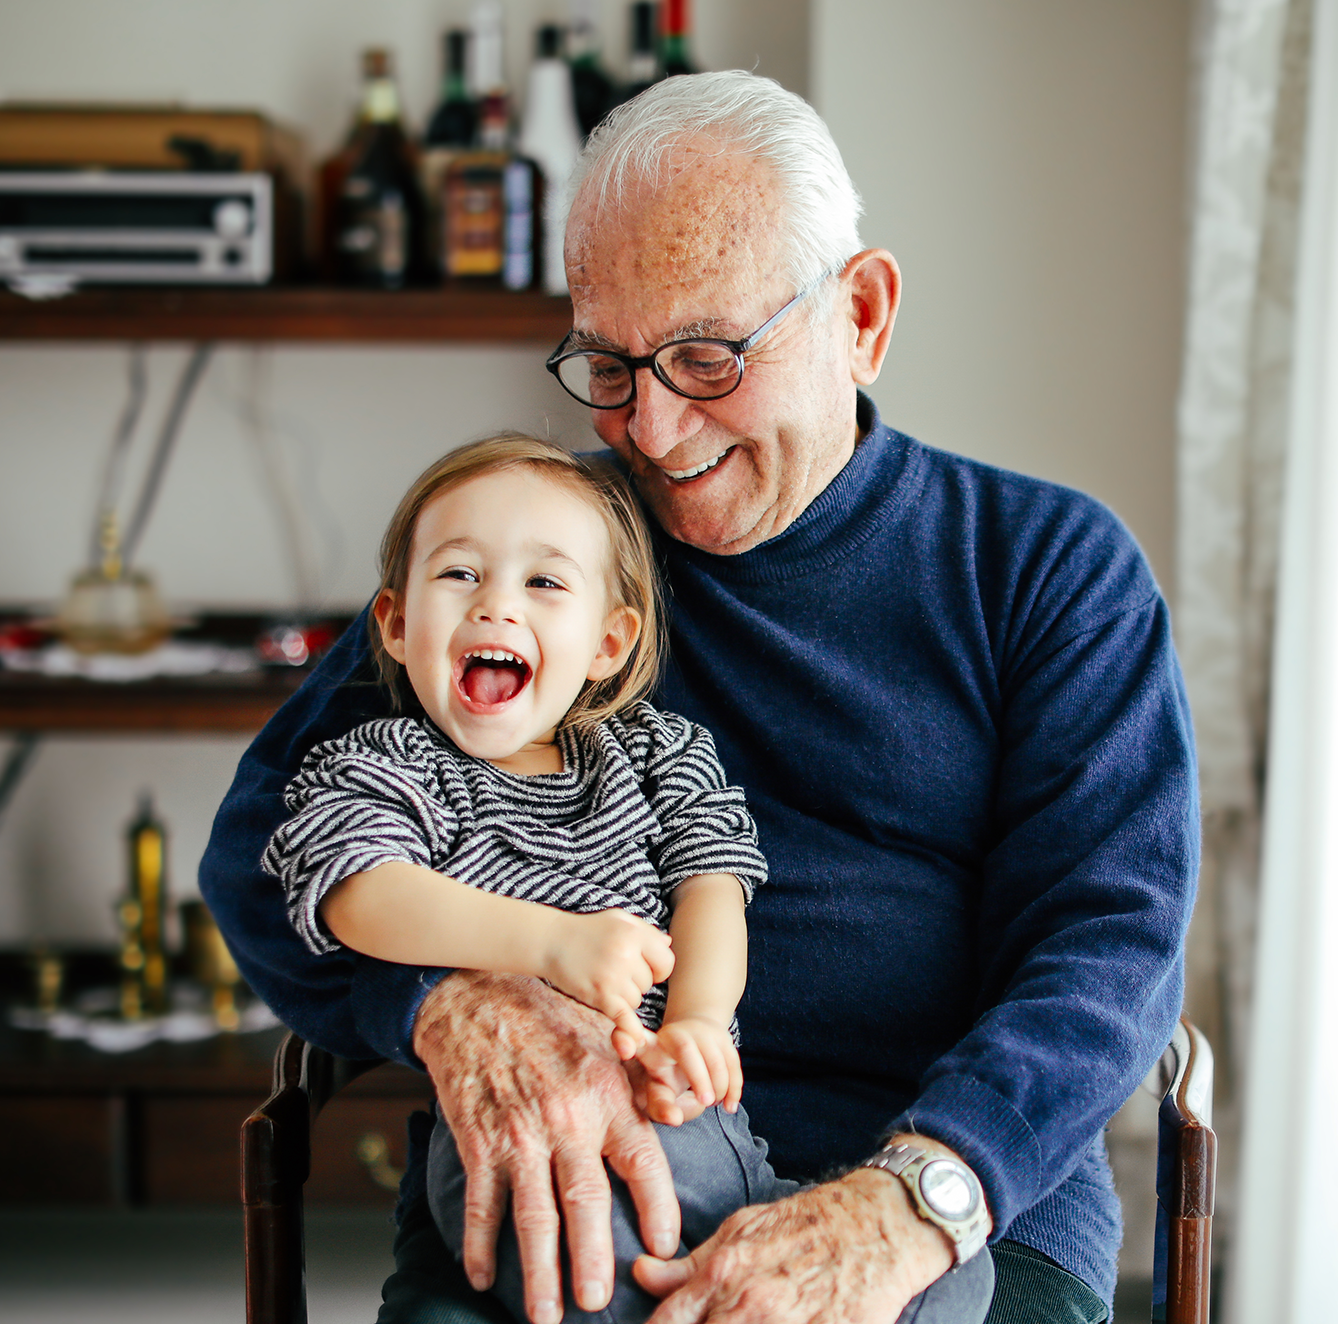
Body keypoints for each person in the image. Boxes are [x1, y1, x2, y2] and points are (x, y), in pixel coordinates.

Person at [201, 72, 1198, 1324]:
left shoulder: (1047, 567)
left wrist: (906, 1204)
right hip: (561, 1181)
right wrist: (444, 999)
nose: (656, 431)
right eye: (609, 366)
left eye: (705, 357)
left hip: (939, 1194)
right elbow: (267, 841)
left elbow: (1108, 942)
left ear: (862, 315)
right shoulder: (536, 552)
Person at [260, 434, 991, 1324]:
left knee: (958, 1276)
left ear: (610, 640)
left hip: (696, 1127)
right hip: (515, 1138)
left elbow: (713, 889)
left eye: (545, 582)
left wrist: (698, 1021)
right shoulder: (386, 763)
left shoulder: (657, 752)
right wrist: (550, 943)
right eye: (459, 575)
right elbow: (359, 892)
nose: (495, 605)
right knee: (579, 1255)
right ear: (397, 624)